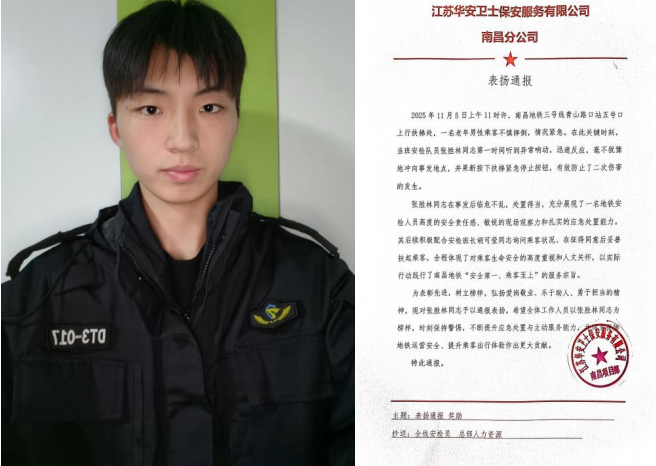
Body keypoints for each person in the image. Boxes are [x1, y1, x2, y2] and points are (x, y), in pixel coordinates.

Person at [1, 1, 354, 465]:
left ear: (235, 118)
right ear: (116, 128)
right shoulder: (35, 300)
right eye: (150, 108)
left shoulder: (318, 285)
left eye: (209, 106)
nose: (183, 139)